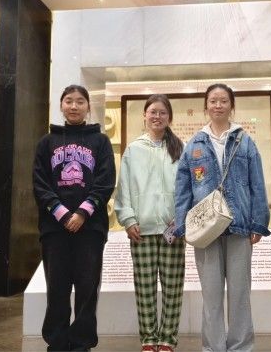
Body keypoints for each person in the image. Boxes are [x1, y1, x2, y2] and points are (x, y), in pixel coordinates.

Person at [174, 83, 271, 352]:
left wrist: (258, 222)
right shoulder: (194, 144)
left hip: (239, 227)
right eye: (213, 101)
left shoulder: (244, 140)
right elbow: (182, 188)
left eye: (223, 100)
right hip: (205, 230)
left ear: (232, 105)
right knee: (211, 295)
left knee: (240, 295)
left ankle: (241, 347)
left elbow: (257, 183)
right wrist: (183, 225)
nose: (218, 105)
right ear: (206, 106)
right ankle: (213, 348)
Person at [33, 84, 116, 351]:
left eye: (80, 101)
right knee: (56, 288)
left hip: (90, 229)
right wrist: (62, 213)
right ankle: (57, 342)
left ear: (88, 106)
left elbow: (105, 181)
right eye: (69, 101)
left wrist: (82, 213)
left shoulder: (100, 141)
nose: (74, 106)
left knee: (87, 289)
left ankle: (81, 343)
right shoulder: (47, 142)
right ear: (61, 105)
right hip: (54, 230)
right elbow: (40, 184)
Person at [114, 94, 186, 352]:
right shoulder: (133, 150)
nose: (157, 116)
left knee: (173, 287)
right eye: (153, 112)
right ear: (144, 115)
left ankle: (167, 339)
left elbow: (187, 187)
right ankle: (148, 339)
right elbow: (123, 188)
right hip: (141, 230)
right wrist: (128, 219)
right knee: (144, 287)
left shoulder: (180, 148)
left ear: (169, 117)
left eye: (162, 112)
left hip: (172, 229)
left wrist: (182, 217)